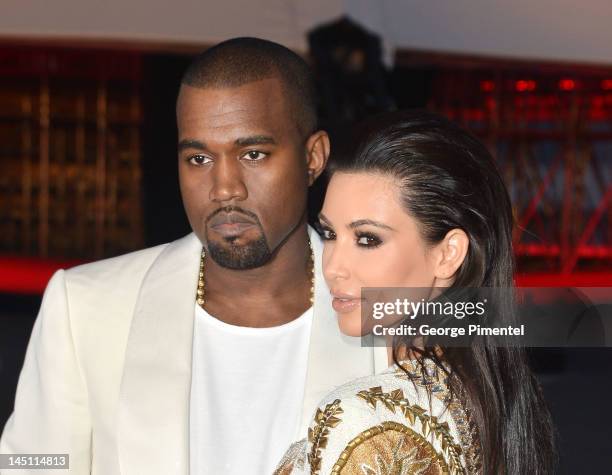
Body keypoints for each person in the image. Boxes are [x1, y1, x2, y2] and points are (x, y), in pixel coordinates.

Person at [0, 38, 388, 474]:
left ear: (312, 156)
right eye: (199, 157)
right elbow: (30, 464)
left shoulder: (400, 309)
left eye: (253, 154)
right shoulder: (85, 305)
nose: (224, 188)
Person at [275, 111, 556, 474]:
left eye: (367, 239)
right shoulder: (494, 405)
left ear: (448, 253)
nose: (333, 266)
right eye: (329, 234)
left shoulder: (364, 422)